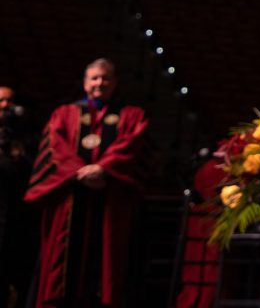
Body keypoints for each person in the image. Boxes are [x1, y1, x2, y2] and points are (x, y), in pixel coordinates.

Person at [24, 59, 150, 308]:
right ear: (84, 83)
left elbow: (132, 145)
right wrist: (79, 171)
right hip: (69, 195)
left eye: (105, 78)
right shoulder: (64, 114)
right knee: (63, 265)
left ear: (115, 83)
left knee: (107, 262)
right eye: (94, 78)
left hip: (110, 195)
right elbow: (54, 146)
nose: (99, 83)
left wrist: (103, 168)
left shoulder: (132, 115)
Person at [0, 85, 36, 308]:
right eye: (1, 101)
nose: (5, 106)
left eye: (9, 102)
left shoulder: (25, 139)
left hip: (13, 221)